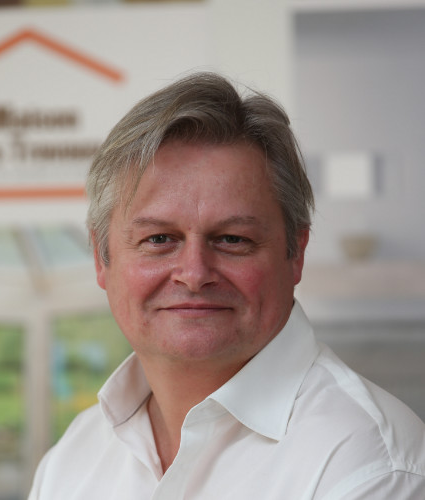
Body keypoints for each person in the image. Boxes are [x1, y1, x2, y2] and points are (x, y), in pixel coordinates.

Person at [29, 72, 425, 499]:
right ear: (100, 257)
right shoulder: (73, 457)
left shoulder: (370, 466)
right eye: (158, 239)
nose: (194, 273)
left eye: (233, 239)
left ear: (296, 253)